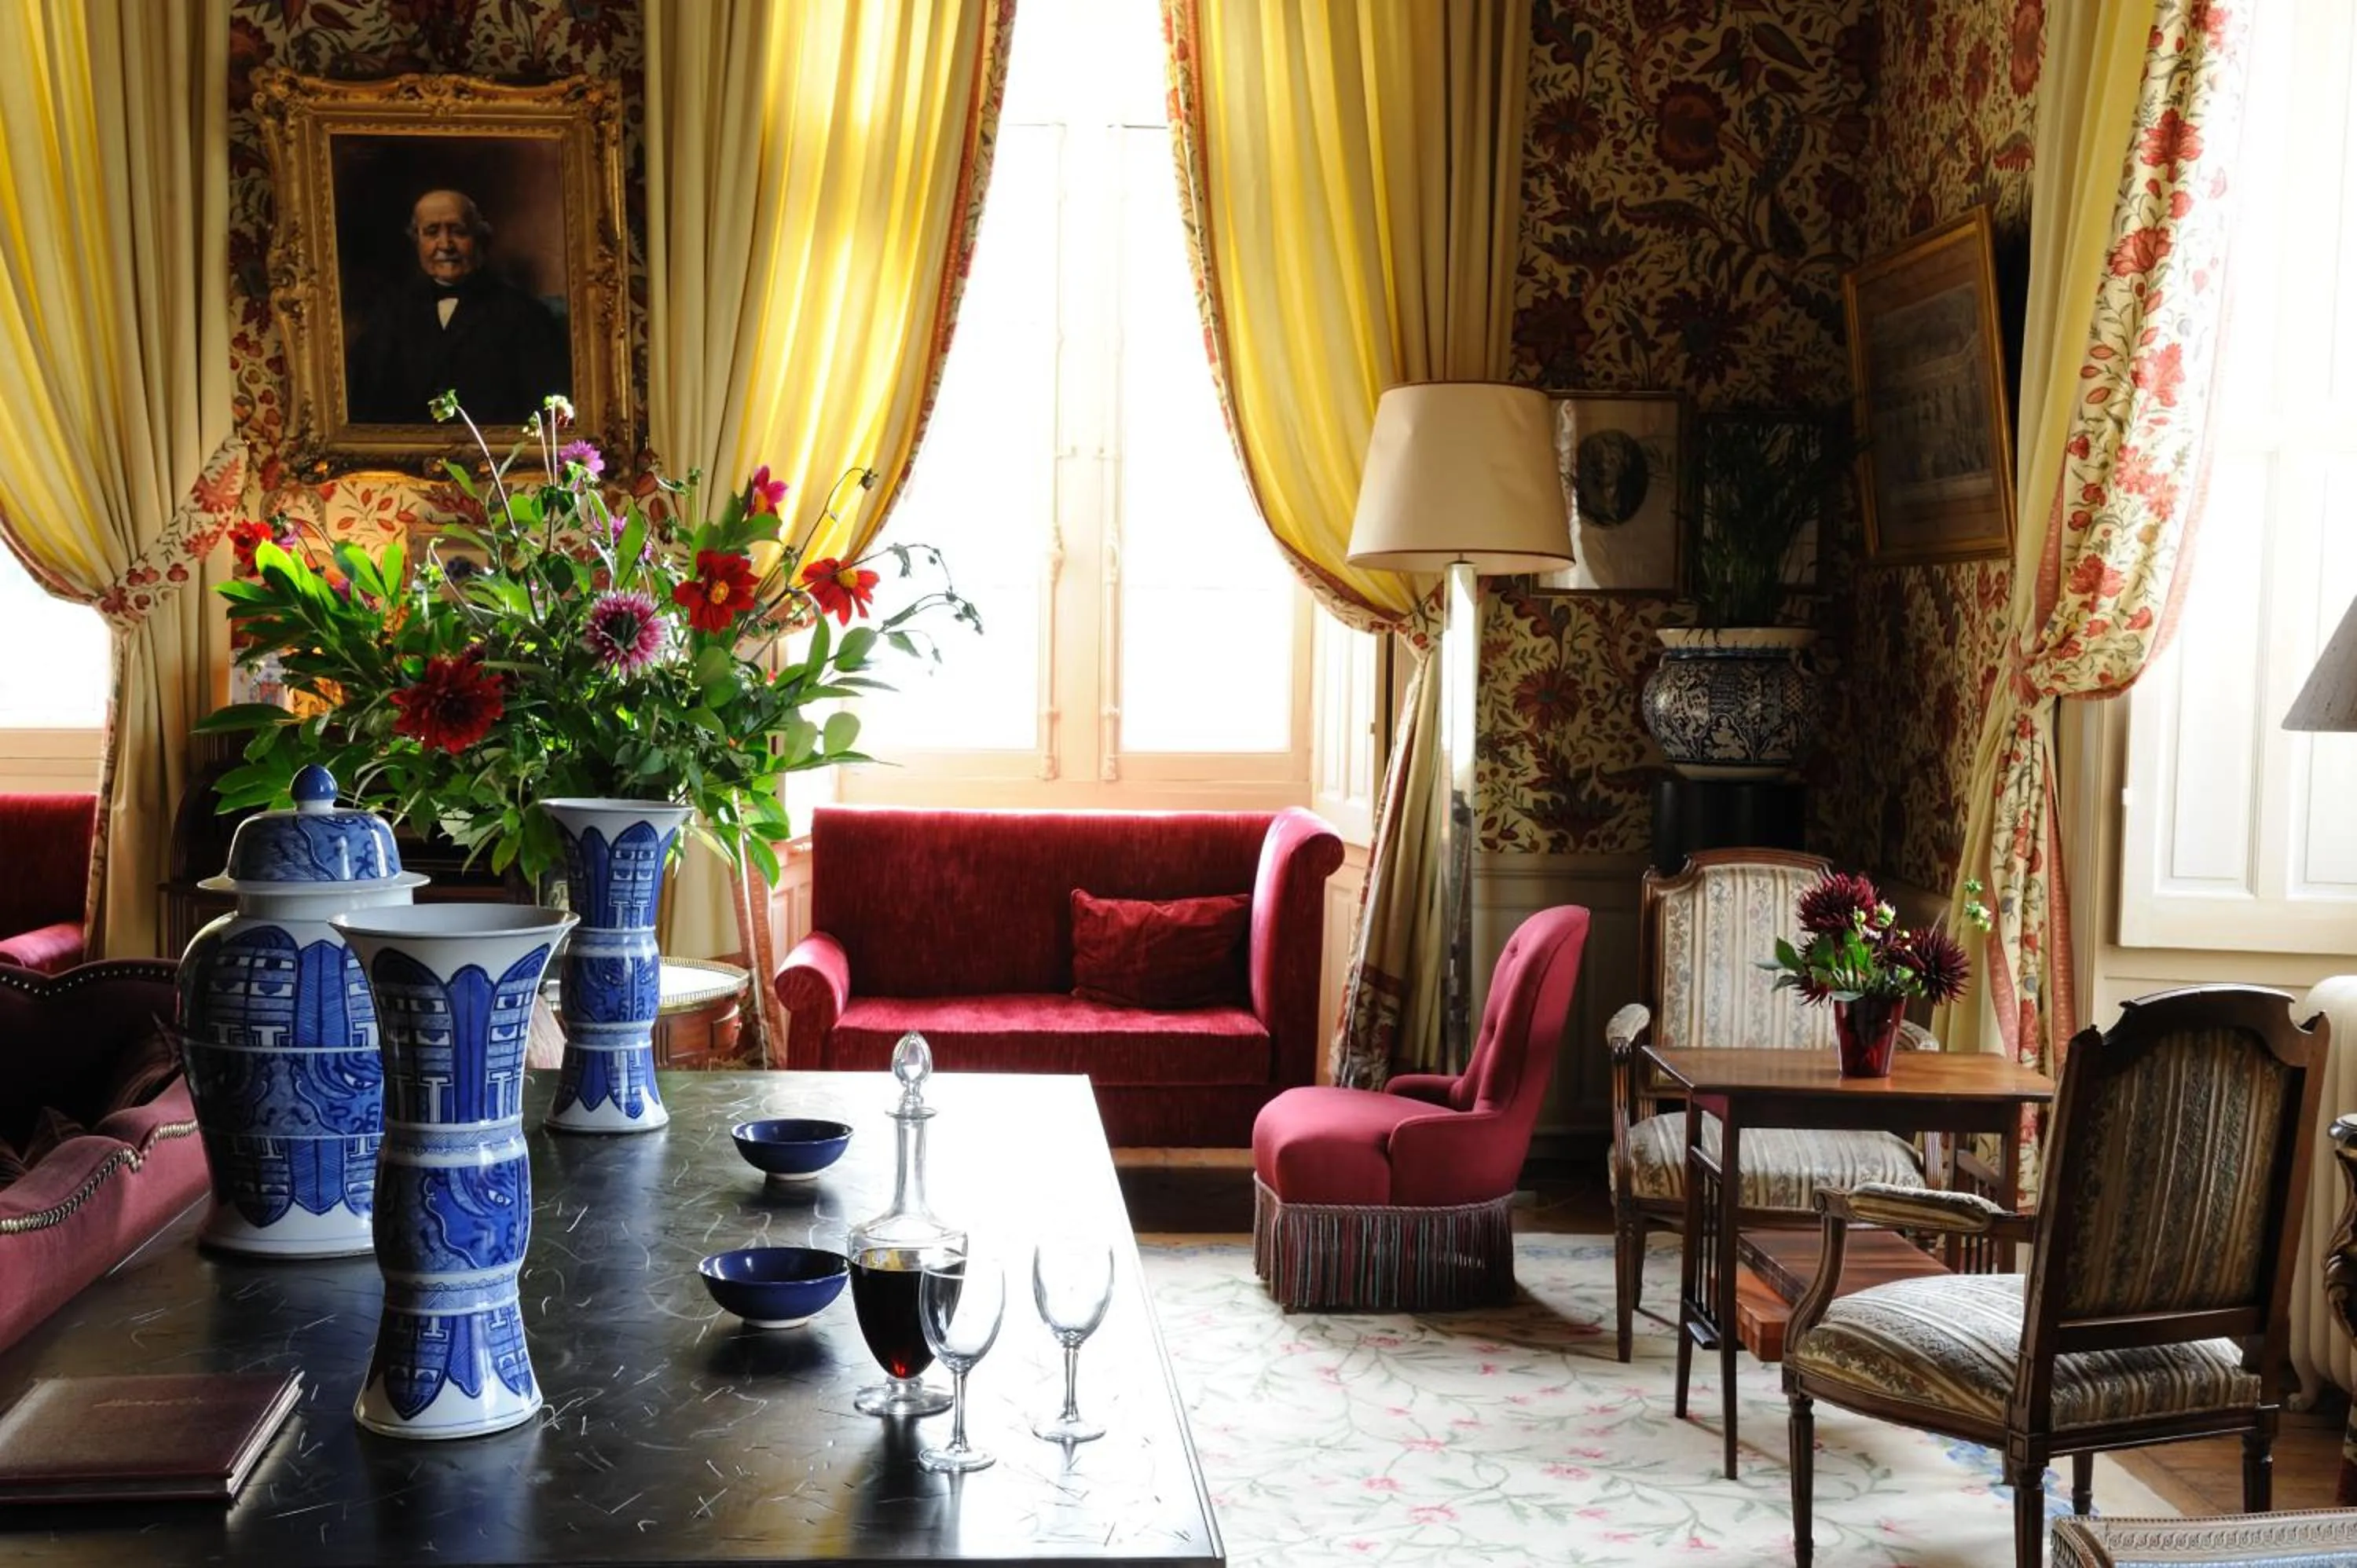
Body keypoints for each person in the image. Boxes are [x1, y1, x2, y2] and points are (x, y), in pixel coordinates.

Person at [345, 189, 571, 425]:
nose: (445, 244)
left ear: (480, 239)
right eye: (431, 232)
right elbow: (366, 408)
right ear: (417, 240)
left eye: (459, 232)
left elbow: (548, 414)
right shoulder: (389, 315)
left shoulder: (526, 315)